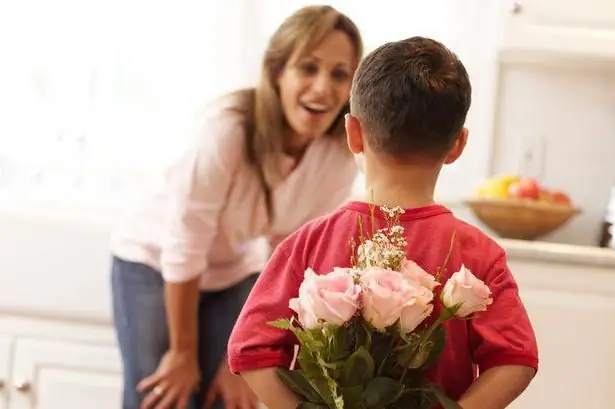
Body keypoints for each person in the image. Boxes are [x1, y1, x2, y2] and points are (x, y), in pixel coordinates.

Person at [227, 36, 539, 409]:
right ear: (458, 144)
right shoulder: (479, 254)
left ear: (352, 133)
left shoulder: (308, 242)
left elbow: (249, 349)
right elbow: (515, 360)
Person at [109, 5, 364, 409]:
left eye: (339, 73)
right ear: (279, 72)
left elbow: (292, 262)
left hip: (232, 269)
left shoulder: (338, 154)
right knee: (162, 396)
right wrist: (182, 354)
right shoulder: (228, 130)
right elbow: (185, 245)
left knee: (226, 399)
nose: (323, 88)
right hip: (155, 262)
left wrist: (244, 363)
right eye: (308, 68)